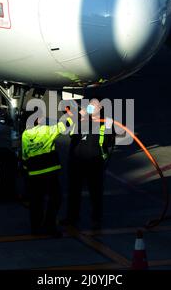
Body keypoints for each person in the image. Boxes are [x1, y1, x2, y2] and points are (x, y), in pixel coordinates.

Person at [62, 98, 115, 230]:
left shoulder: (104, 123)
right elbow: (65, 128)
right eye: (90, 104)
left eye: (94, 104)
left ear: (100, 107)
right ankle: (72, 218)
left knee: (96, 192)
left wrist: (109, 127)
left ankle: (96, 219)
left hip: (94, 162)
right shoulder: (80, 120)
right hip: (77, 162)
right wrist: (80, 115)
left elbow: (109, 143)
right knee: (74, 192)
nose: (91, 106)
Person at [21, 109, 73, 236]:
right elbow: (63, 126)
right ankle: (49, 226)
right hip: (49, 171)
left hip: (33, 174)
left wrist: (27, 172)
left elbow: (24, 156)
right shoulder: (46, 130)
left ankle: (36, 228)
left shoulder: (25, 134)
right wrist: (72, 116)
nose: (44, 119)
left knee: (36, 202)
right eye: (42, 117)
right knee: (55, 199)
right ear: (37, 120)